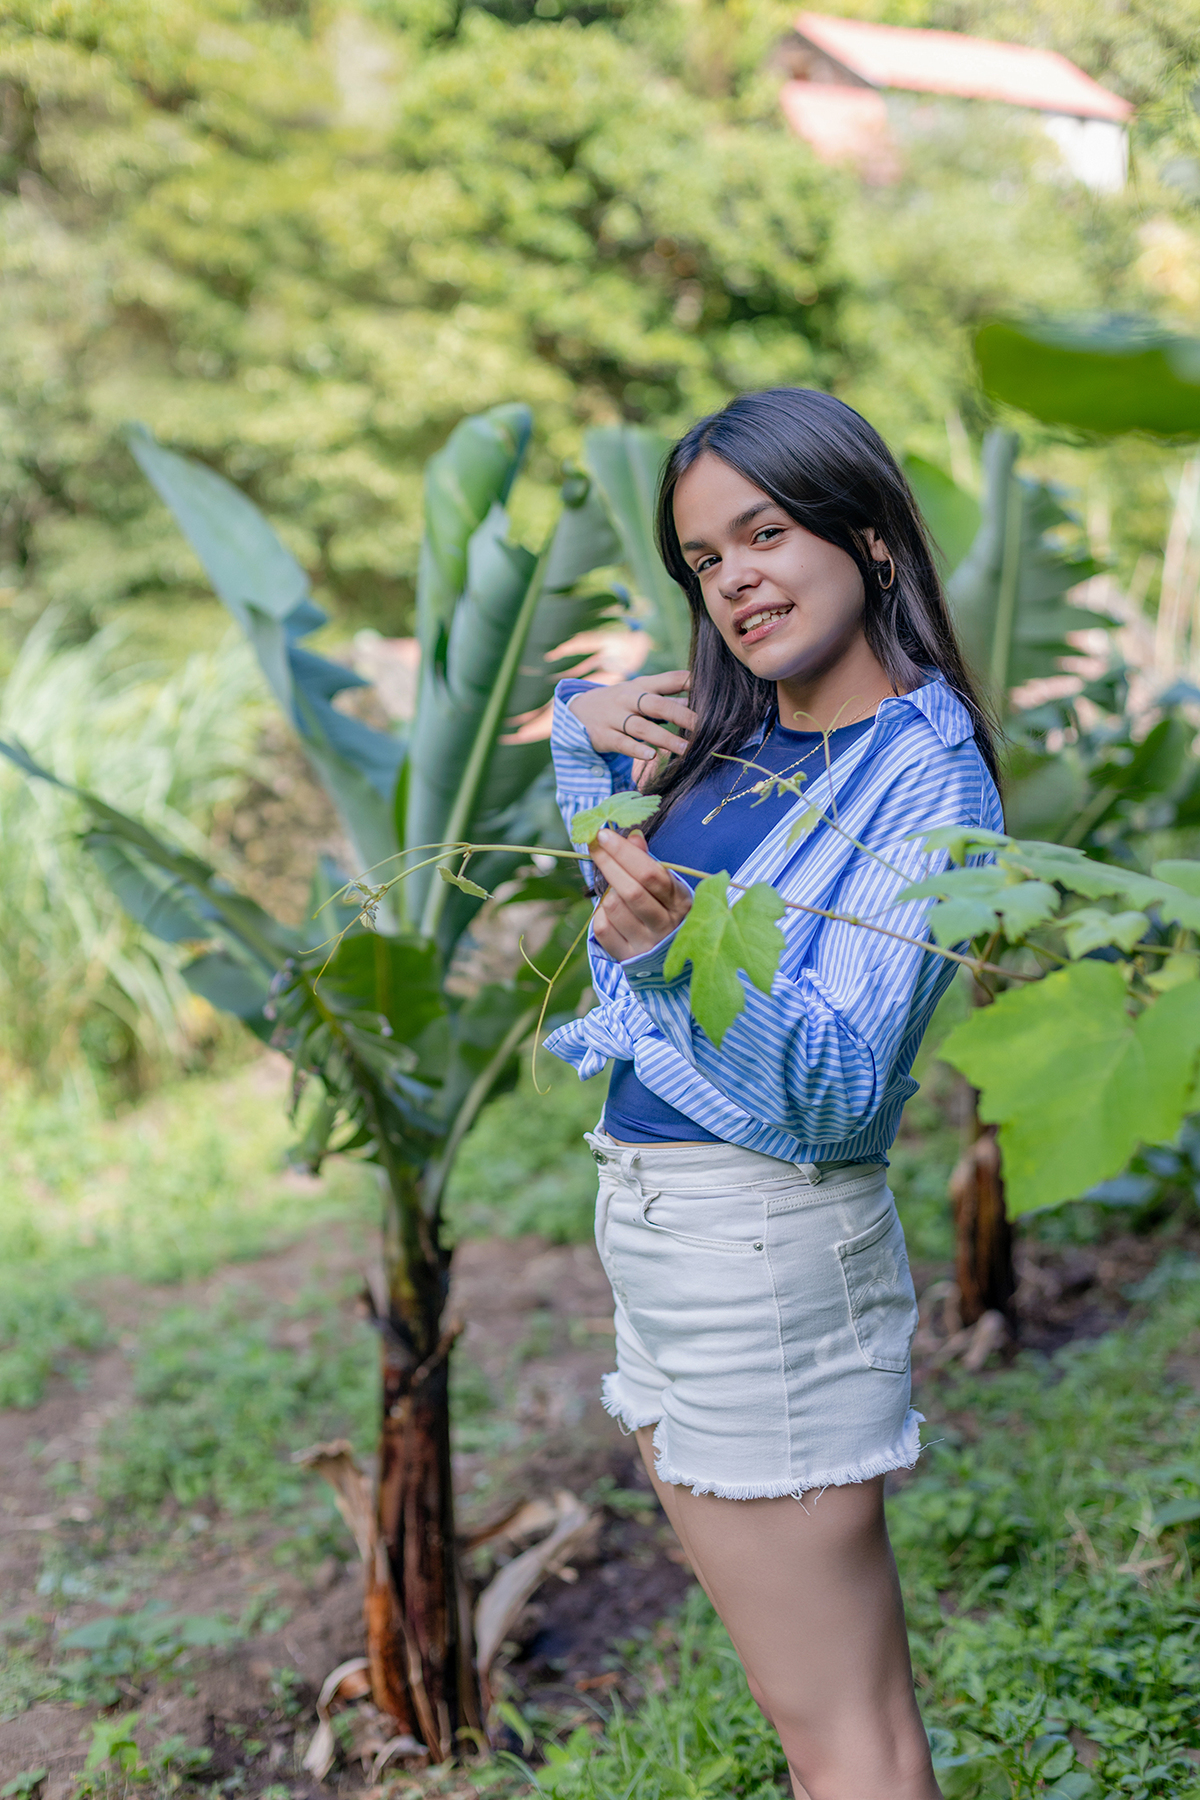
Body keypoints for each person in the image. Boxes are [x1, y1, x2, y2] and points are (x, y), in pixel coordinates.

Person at [543, 387, 1003, 1800]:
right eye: (704, 558)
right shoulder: (730, 739)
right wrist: (580, 727)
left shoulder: (923, 778)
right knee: (815, 1716)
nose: (735, 578)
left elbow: (839, 1095)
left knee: (843, 1729)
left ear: (869, 538)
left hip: (766, 1250)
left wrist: (675, 958)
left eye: (767, 532)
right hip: (667, 1242)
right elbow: (615, 880)